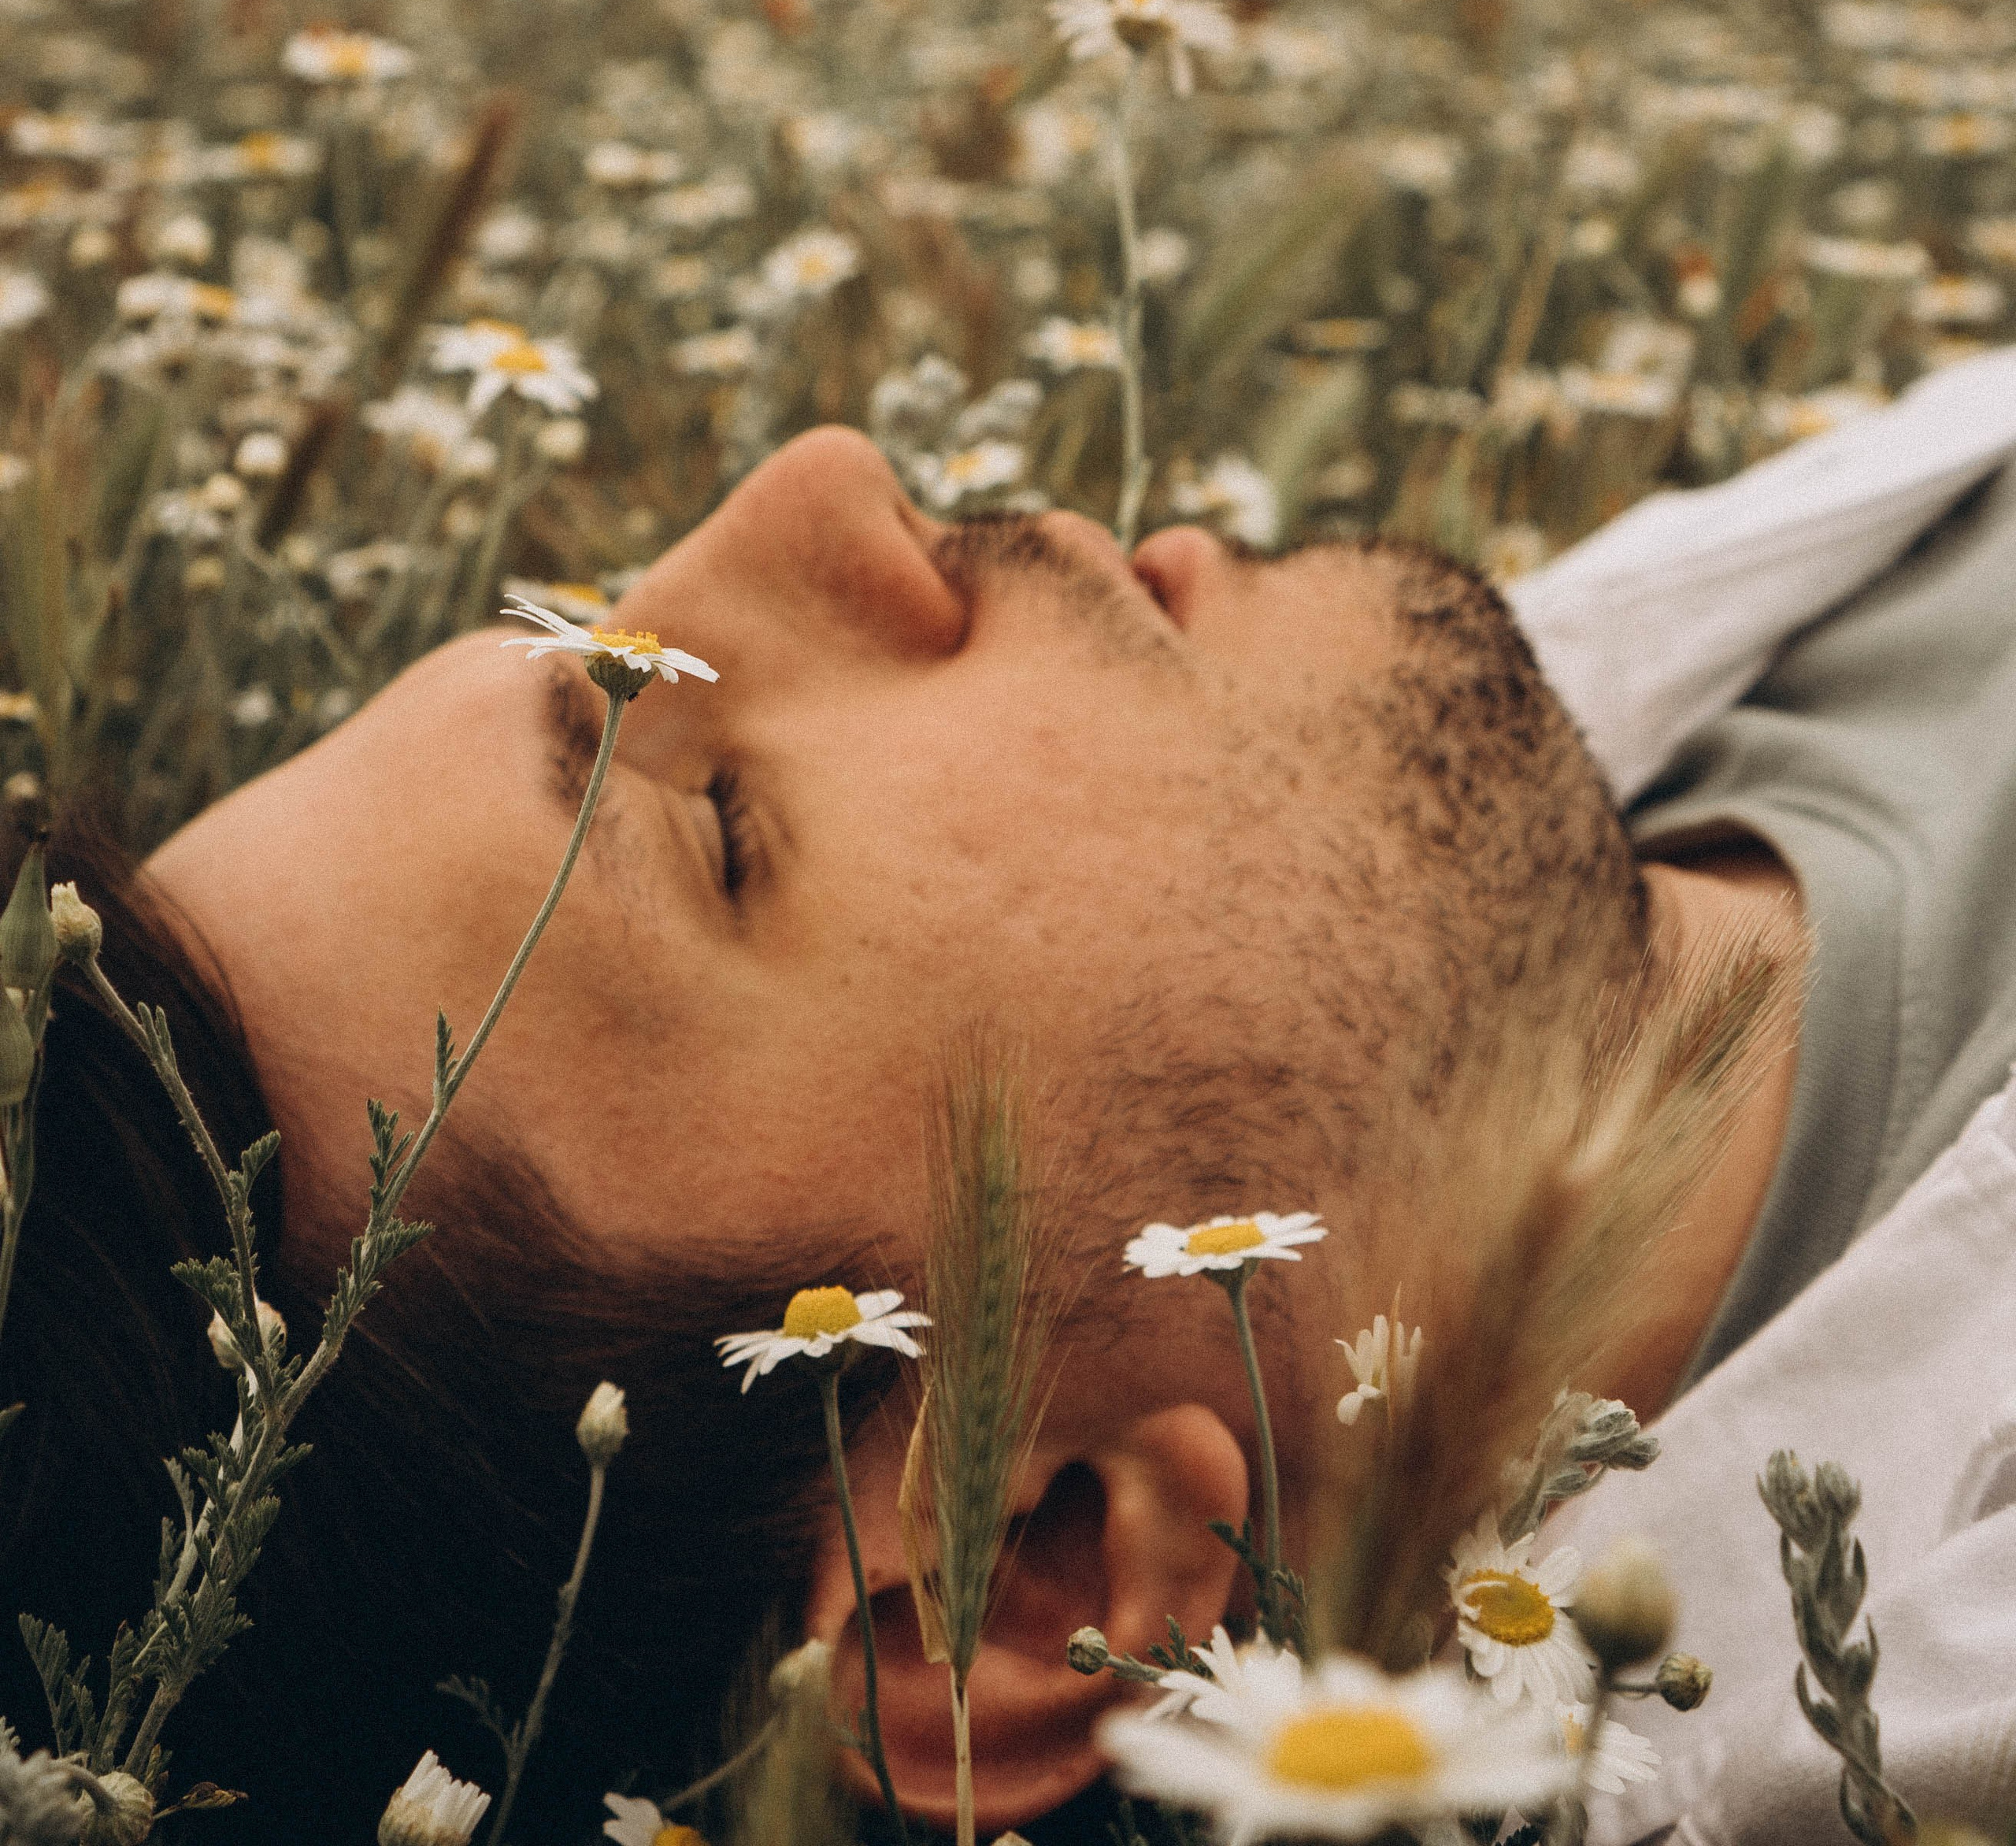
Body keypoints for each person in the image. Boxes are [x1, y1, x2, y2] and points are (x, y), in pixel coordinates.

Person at [3, 347, 2012, 1844]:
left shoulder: (1591, 719)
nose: (823, 484)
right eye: (719, 826)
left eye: (619, 628)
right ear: (1025, 1570)